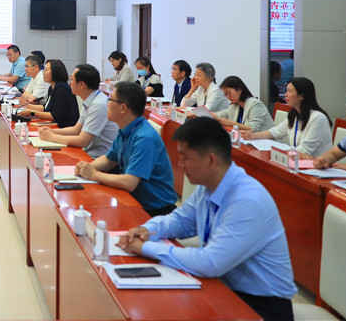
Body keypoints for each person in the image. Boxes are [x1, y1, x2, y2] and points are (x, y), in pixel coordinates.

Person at [119, 117, 296, 321]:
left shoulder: (247, 201)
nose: (180, 164)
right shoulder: (208, 186)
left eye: (185, 158)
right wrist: (147, 230)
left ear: (211, 160)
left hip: (261, 306)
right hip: (222, 287)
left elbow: (210, 263)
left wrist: (146, 248)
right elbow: (180, 220)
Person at [75, 82, 177, 216]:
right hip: (132, 200)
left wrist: (93, 174)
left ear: (123, 108)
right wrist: (86, 167)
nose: (107, 104)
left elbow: (129, 182)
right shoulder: (126, 128)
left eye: (110, 100)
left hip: (154, 211)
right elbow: (109, 160)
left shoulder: (144, 138)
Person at [38, 64, 118, 158]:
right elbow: (76, 130)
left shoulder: (98, 105)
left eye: (72, 80)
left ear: (81, 85)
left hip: (98, 159)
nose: (70, 83)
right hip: (88, 154)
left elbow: (82, 141)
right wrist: (51, 131)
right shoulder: (91, 99)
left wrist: (51, 137)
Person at [241, 77, 332, 157]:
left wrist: (279, 155)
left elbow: (305, 149)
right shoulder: (294, 115)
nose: (285, 94)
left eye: (289, 91)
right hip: (296, 161)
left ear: (302, 96)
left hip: (314, 165)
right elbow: (276, 132)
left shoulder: (318, 118)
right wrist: (253, 135)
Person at [23, 60, 79, 128]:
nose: (43, 73)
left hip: (64, 127)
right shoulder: (52, 87)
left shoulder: (61, 88)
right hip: (54, 124)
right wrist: (28, 106)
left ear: (55, 72)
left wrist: (32, 112)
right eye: (43, 70)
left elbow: (55, 115)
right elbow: (46, 107)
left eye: (46, 70)